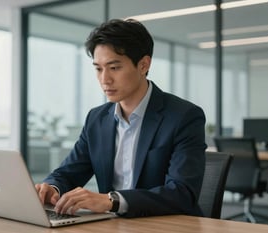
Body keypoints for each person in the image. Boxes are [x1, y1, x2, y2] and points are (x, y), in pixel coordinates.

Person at [35, 18, 206, 218]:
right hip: (113, 225)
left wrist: (112, 201)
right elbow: (69, 172)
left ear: (143, 65)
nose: (104, 79)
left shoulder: (183, 116)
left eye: (114, 68)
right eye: (98, 68)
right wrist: (52, 188)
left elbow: (181, 194)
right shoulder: (97, 119)